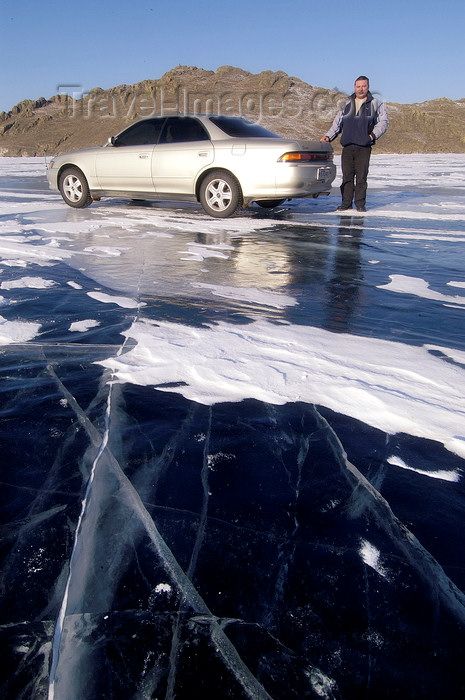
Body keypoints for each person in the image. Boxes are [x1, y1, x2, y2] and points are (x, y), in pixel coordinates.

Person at [320, 76, 388, 212]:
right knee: (347, 177)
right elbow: (337, 123)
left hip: (364, 147)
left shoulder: (376, 103)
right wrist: (328, 136)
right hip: (348, 146)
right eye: (358, 86)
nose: (361, 89)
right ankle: (346, 204)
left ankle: (360, 205)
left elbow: (383, 122)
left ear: (368, 87)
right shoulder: (346, 104)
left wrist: (372, 135)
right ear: (354, 87)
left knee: (361, 177)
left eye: (363, 86)